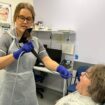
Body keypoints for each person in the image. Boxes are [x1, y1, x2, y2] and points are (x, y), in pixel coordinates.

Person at [0, 2, 72, 105]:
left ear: (32, 22)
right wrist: (17, 54)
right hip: (9, 86)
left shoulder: (36, 41)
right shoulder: (6, 38)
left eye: (29, 19)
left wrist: (59, 68)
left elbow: (47, 60)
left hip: (28, 85)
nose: (25, 22)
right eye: (21, 17)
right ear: (15, 18)